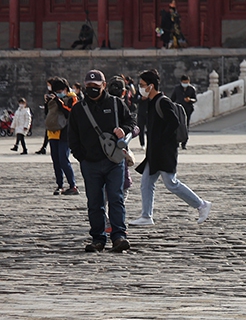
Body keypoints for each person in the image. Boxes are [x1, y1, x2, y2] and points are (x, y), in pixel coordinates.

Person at [129, 69, 212, 227]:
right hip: (154, 152)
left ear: (151, 86)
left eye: (142, 85)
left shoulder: (162, 101)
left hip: (164, 152)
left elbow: (174, 122)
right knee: (146, 183)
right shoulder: (151, 102)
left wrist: (162, 141)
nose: (140, 88)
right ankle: (146, 216)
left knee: (171, 183)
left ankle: (201, 205)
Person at [67, 70, 134, 252]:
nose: (92, 89)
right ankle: (98, 238)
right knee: (94, 203)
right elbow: (72, 135)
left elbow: (131, 122)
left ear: (104, 85)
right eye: (89, 86)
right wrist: (81, 157)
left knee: (116, 198)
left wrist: (124, 129)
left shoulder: (116, 104)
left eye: (96, 86)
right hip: (90, 163)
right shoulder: (79, 109)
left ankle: (119, 236)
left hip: (114, 161)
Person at [45, 77, 78, 195]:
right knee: (56, 161)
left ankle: (73, 185)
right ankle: (60, 185)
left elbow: (70, 113)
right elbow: (48, 114)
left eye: (59, 91)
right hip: (53, 133)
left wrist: (59, 102)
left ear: (65, 89)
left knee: (63, 159)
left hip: (65, 133)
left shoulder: (72, 98)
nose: (58, 93)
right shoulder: (53, 98)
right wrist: (47, 102)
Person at [171, 75, 198, 148]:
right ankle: (176, 141)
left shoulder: (191, 89)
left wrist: (190, 100)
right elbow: (173, 99)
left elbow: (195, 99)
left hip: (188, 109)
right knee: (177, 125)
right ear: (181, 82)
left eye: (186, 82)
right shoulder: (177, 89)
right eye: (184, 82)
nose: (185, 83)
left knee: (186, 126)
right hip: (178, 109)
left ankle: (184, 143)